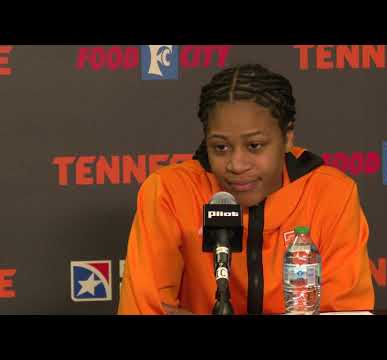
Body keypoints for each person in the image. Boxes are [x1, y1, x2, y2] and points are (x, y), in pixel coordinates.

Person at [118, 64, 374, 315]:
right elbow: (144, 309)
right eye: (220, 147)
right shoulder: (169, 192)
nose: (236, 165)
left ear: (287, 138)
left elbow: (346, 310)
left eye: (254, 146)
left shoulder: (331, 193)